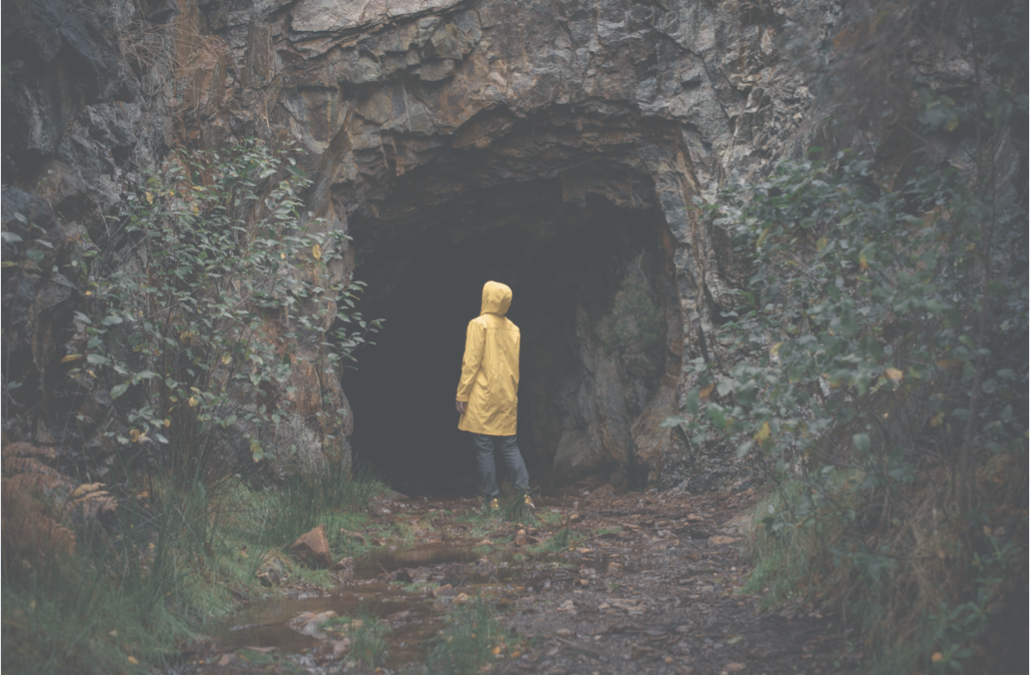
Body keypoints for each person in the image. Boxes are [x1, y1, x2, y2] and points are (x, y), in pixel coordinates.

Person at [455, 281, 533, 510]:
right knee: (509, 446)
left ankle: (492, 499)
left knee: (484, 448)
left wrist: (462, 394)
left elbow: (471, 362)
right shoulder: (514, 329)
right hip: (507, 396)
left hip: (482, 396)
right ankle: (525, 495)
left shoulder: (478, 325)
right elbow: (514, 366)